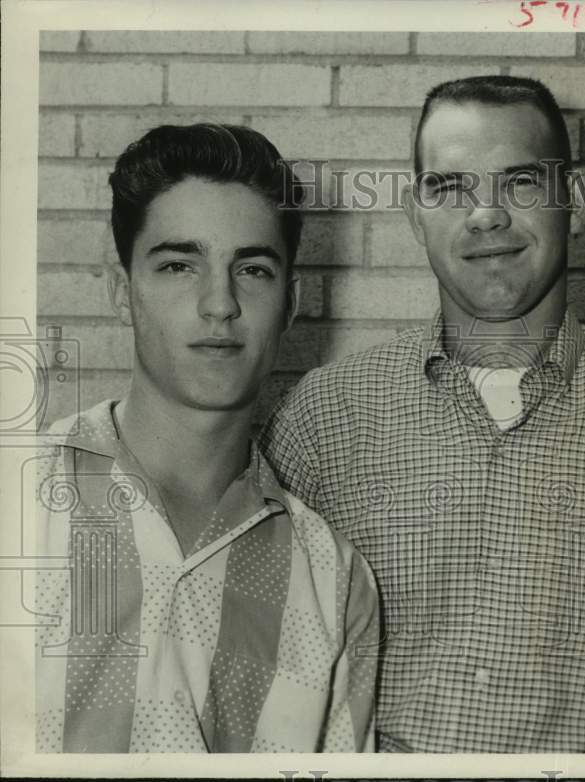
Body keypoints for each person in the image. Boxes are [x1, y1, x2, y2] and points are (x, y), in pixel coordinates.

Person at [260, 75, 585, 753]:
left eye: (520, 183)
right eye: (450, 187)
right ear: (415, 215)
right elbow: (264, 679)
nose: (486, 216)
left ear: (576, 205)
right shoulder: (324, 418)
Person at [34, 124, 379, 753]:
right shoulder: (16, 504)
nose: (219, 303)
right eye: (177, 265)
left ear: (291, 301)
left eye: (252, 268)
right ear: (121, 292)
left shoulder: (333, 578)